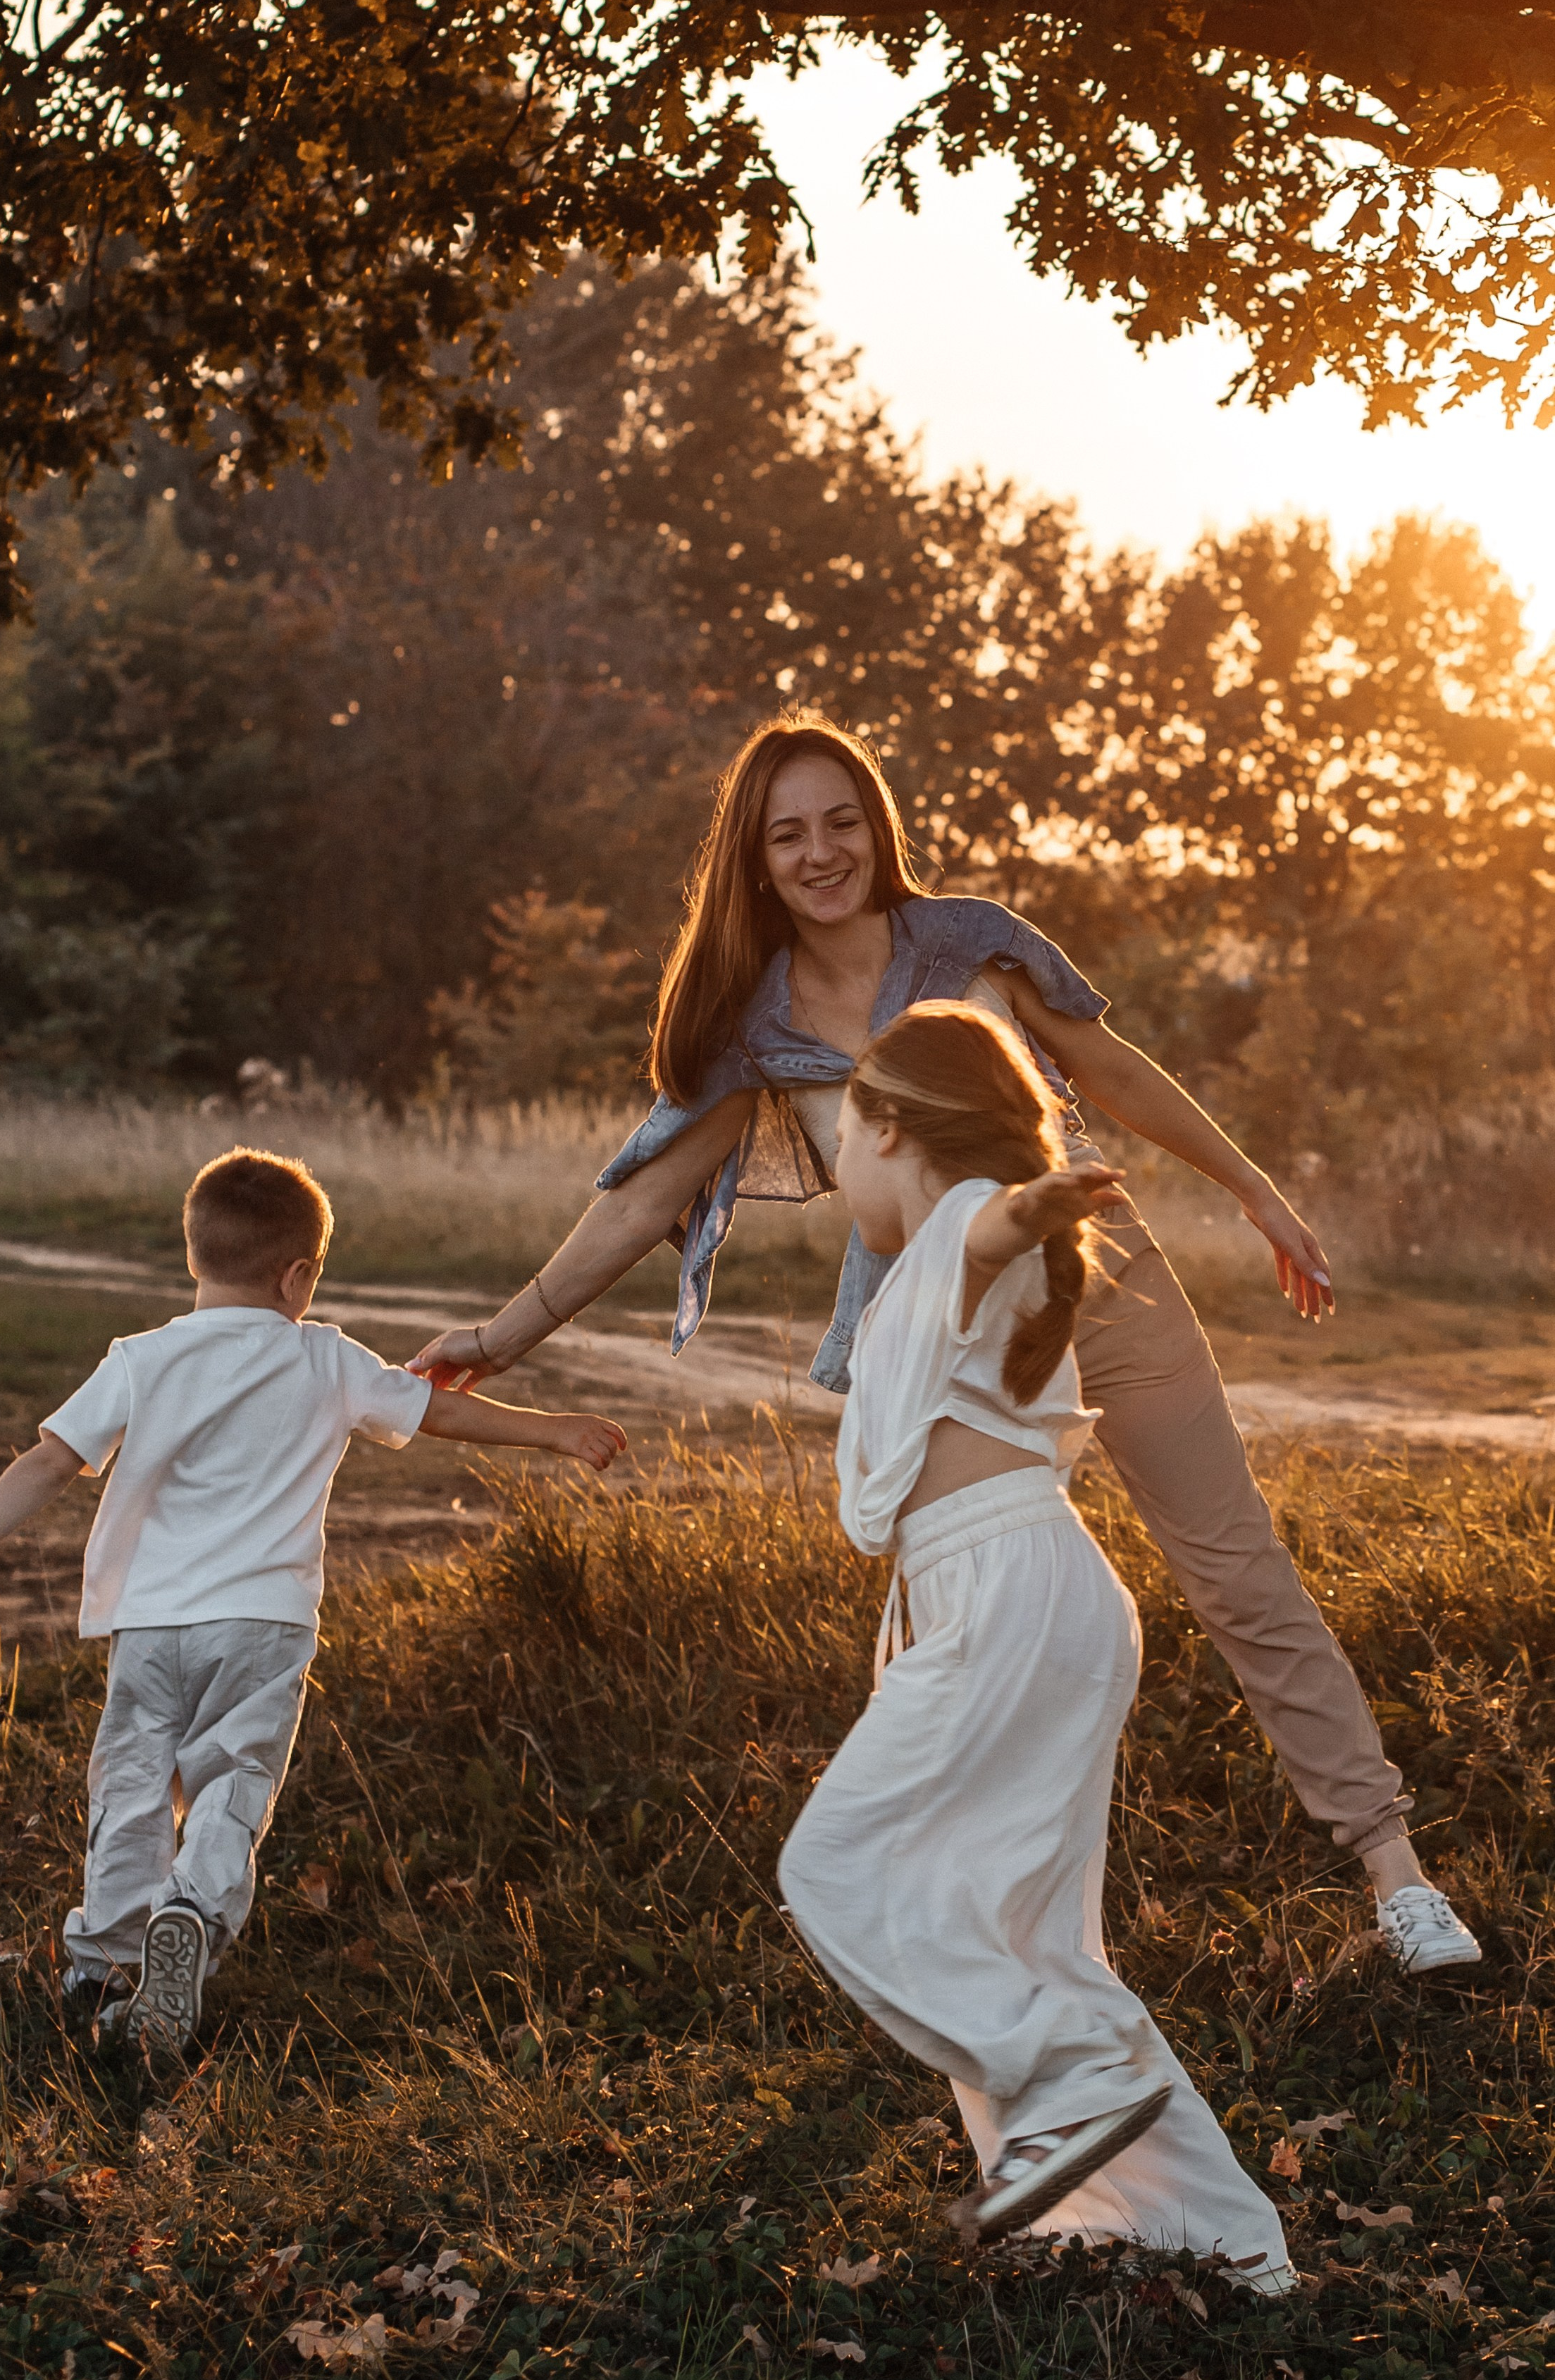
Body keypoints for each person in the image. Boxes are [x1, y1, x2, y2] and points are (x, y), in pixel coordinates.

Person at [411, 712, 1480, 1978]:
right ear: (754, 860)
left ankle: (1396, 1875)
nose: (822, 853)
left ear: (878, 820)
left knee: (1240, 1570)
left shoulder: (969, 939)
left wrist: (1254, 1192)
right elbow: (641, 1197)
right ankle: (951, 1919)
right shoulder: (755, 1024)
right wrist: (500, 1331)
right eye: (788, 833)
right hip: (938, 1339)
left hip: (1095, 1278)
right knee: (944, 1625)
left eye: (841, 819)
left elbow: (1109, 1069)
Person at [0, 1146, 626, 2050]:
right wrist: (554, 1432)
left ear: (194, 1253)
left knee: (130, 1785)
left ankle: (97, 1971)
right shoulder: (325, 1357)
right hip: (265, 1625)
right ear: (298, 1275)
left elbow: (46, 1462)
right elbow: (438, 1411)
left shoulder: (141, 1359)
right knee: (232, 1780)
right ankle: (192, 1912)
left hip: (153, 1622)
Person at [777, 1000, 1291, 2281]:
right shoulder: (949, 1262)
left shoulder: (963, 1222)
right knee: (1029, 1937)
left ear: (895, 1126)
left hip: (1005, 1587)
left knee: (835, 1867)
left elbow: (989, 1216)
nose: (838, 1166)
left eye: (844, 1133)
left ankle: (1064, 2082)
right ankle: (1214, 2231)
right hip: (1019, 1588)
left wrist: (1042, 1194)